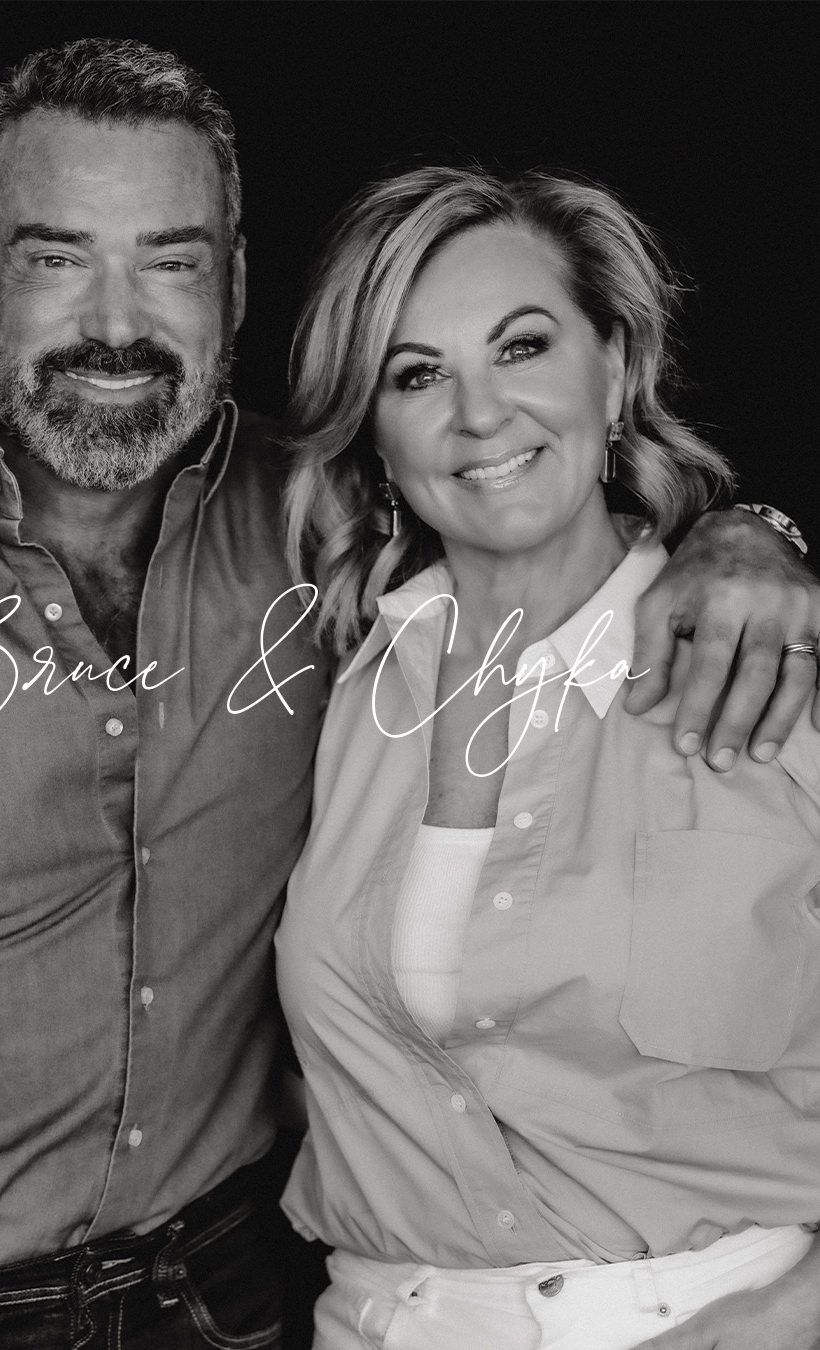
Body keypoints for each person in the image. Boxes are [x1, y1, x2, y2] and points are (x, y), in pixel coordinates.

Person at [0, 37, 816, 1350]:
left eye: (172, 261)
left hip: (229, 1301)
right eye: (59, 257)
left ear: (236, 283)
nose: (117, 323)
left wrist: (753, 533)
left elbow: (537, 502)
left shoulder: (318, 538)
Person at [276, 165, 820, 1350]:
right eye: (418, 374)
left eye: (521, 347)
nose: (480, 416)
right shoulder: (341, 685)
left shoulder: (776, 662)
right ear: (374, 433)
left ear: (613, 371)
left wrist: (796, 1313)